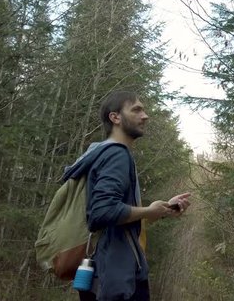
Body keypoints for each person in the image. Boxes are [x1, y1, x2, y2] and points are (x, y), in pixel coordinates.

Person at [60, 90, 191, 301]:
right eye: (137, 110)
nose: (145, 115)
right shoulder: (116, 154)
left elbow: (112, 212)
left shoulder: (100, 152)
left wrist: (159, 210)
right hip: (116, 278)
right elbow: (102, 212)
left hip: (105, 274)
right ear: (115, 117)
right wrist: (149, 210)